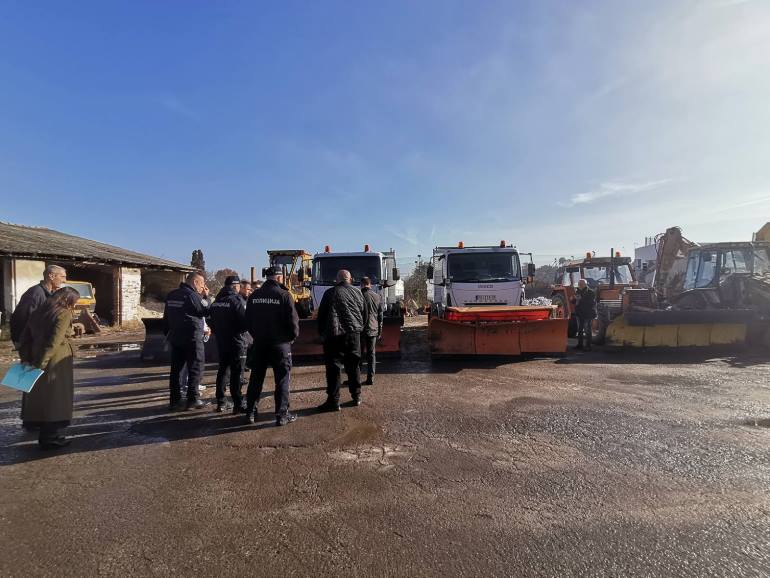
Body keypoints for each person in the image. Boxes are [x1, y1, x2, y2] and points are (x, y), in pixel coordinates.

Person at [18, 287, 80, 449]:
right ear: (67, 300)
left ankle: (47, 434)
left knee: (40, 398)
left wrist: (27, 359)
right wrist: (41, 365)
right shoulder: (63, 314)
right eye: (74, 302)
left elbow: (25, 339)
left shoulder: (38, 312)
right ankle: (50, 437)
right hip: (55, 361)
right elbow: (54, 342)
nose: (74, 306)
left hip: (36, 357)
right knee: (55, 399)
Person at [244, 266, 299, 426]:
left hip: (260, 344)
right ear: (280, 278)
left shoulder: (254, 295)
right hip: (280, 344)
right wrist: (290, 339)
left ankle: (250, 413)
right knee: (282, 379)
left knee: (256, 378)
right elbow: (293, 323)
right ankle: (282, 415)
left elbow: (248, 321)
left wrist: (257, 336)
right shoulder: (284, 295)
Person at [316, 269, 365, 411]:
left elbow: (322, 316)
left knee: (334, 368)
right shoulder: (358, 293)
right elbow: (364, 313)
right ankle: (356, 396)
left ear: (337, 280)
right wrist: (359, 330)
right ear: (350, 279)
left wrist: (322, 334)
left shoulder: (330, 293)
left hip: (334, 335)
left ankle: (333, 401)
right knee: (354, 365)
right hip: (354, 335)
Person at [163, 272, 210, 410]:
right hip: (192, 338)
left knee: (176, 370)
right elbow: (205, 310)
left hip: (176, 337)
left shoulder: (171, 295)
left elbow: (166, 318)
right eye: (202, 284)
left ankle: (175, 400)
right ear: (195, 282)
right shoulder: (192, 295)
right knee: (195, 367)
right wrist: (206, 297)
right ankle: (193, 399)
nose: (203, 287)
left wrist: (169, 334)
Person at [210, 276, 249, 413]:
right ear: (235, 286)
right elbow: (245, 321)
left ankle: (221, 402)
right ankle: (238, 403)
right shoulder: (237, 300)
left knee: (223, 371)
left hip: (222, 341)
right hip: (237, 341)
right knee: (237, 373)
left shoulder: (216, 301)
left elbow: (210, 320)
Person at [10, 264, 67, 349]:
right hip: (30, 342)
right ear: (51, 276)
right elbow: (22, 319)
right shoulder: (35, 293)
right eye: (62, 277)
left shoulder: (49, 294)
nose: (65, 280)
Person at [359, 277, 383, 386]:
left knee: (358, 354)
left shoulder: (358, 295)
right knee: (371, 354)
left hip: (360, 329)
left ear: (361, 284)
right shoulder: (377, 296)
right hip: (373, 328)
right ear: (370, 284)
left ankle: (356, 377)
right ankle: (370, 378)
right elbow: (380, 316)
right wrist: (380, 331)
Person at [573, 278, 597, 351]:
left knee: (587, 330)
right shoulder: (577, 292)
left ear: (585, 284)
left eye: (581, 284)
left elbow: (591, 303)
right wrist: (573, 300)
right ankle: (580, 345)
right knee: (580, 330)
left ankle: (588, 346)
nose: (580, 285)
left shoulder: (591, 292)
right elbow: (575, 302)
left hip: (587, 314)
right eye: (579, 284)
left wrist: (581, 299)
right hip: (579, 313)